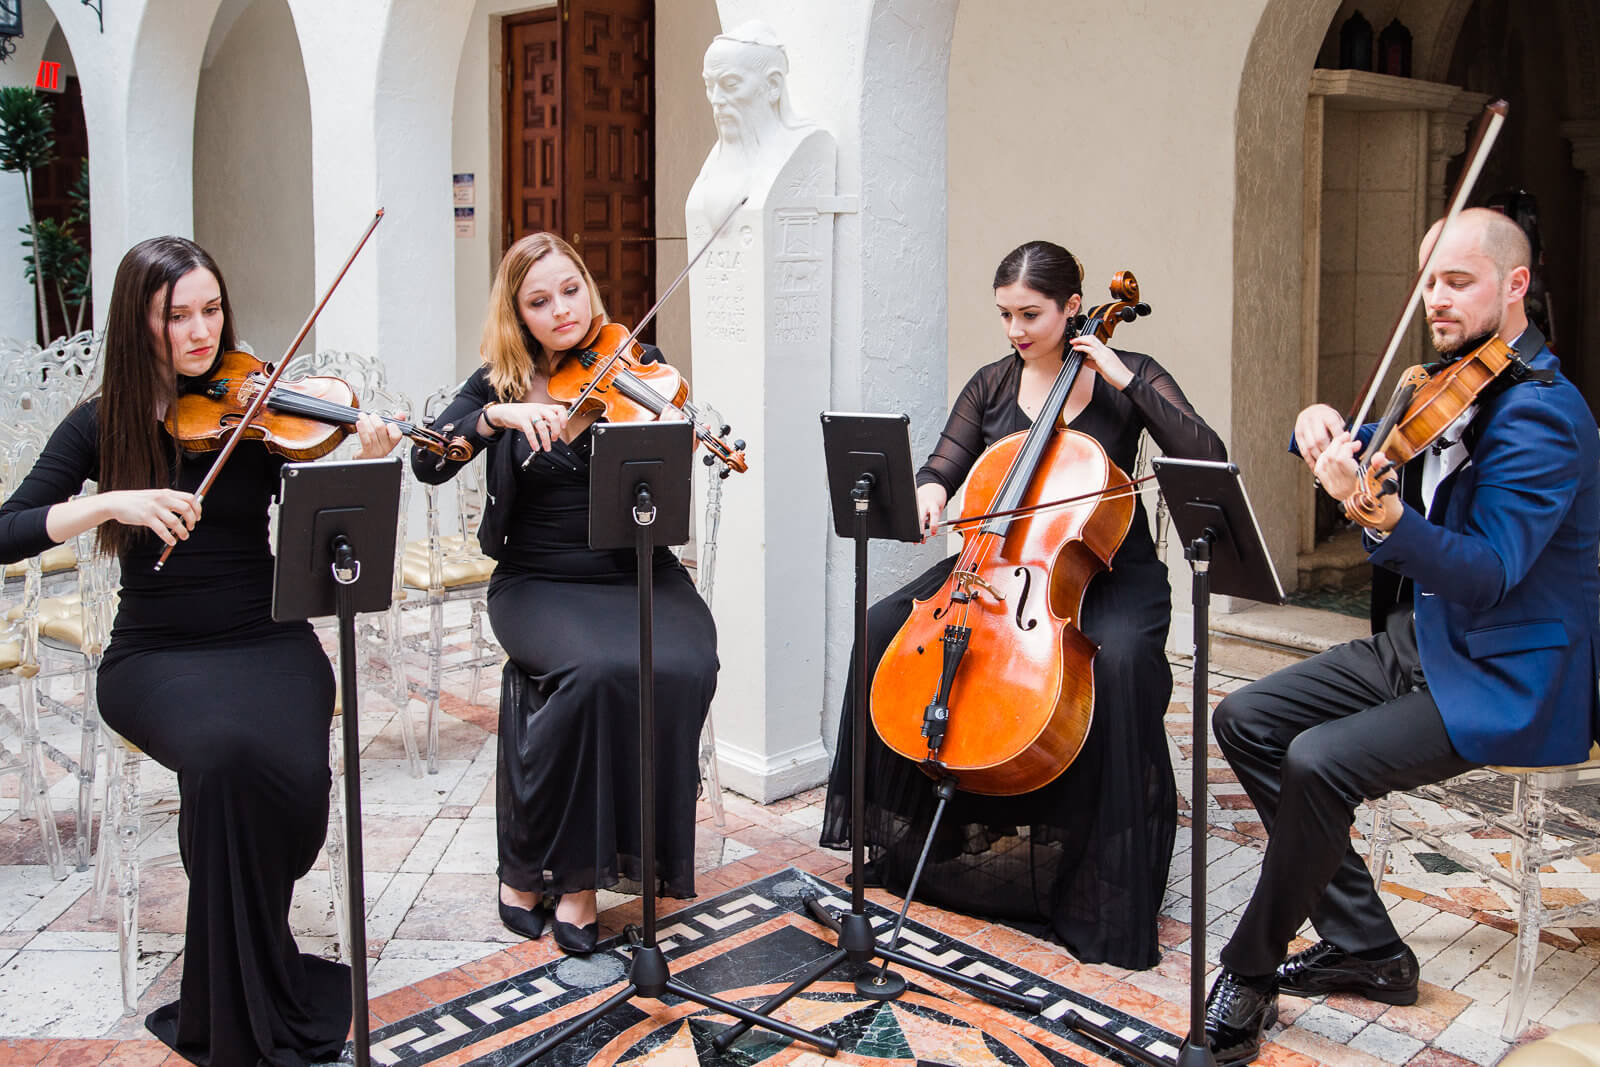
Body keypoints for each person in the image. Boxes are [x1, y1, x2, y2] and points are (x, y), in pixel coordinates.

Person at [1201, 207, 1600, 1066]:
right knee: (1247, 718)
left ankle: (1250, 967)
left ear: (1516, 284)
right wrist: (1312, 426)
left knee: (1318, 760)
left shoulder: (1545, 417)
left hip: (1508, 673)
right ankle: (1369, 949)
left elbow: (1491, 570)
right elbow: (1362, 445)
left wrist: (1384, 518)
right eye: (1428, 281)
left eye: (1458, 280)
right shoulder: (1446, 382)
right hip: (1426, 643)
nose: (1436, 299)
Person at [0, 236, 403, 1065]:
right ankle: (236, 998)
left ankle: (250, 942)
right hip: (156, 656)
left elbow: (323, 495)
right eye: (176, 314)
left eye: (210, 309)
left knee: (292, 773)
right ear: (138, 324)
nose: (200, 331)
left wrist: (368, 443)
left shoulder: (256, 408)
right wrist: (112, 499)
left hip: (267, 635)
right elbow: (4, 530)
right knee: (222, 757)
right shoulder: (100, 424)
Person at [819, 240, 1227, 969]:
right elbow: (945, 463)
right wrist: (930, 489)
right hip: (1003, 565)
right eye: (1004, 313)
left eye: (1030, 313)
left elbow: (1202, 450)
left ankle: (1100, 880)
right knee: (882, 627)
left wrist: (1127, 379)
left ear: (1074, 307)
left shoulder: (1126, 376)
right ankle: (926, 839)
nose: (1014, 328)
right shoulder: (991, 385)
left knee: (1124, 665)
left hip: (1107, 564)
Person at [413, 232, 718, 956]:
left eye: (571, 290)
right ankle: (555, 873)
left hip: (633, 570)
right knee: (592, 674)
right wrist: (495, 418)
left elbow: (668, 473)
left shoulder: (637, 370)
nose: (561, 311)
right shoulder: (500, 379)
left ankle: (633, 855)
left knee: (686, 662)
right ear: (517, 313)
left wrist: (678, 427)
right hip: (539, 579)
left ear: (589, 286)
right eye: (539, 301)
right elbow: (429, 456)